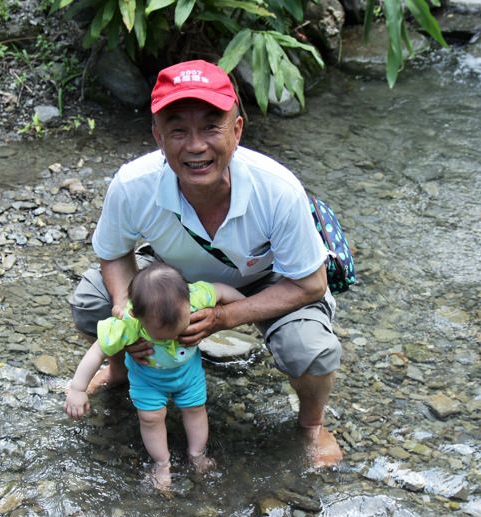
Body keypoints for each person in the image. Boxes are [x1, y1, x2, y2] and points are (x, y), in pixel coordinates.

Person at [69, 59, 343, 467]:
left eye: (211, 127)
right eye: (178, 130)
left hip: (266, 280)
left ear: (237, 130)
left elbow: (310, 284)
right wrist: (126, 312)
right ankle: (123, 369)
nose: (195, 146)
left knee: (310, 350)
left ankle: (311, 425)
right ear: (157, 136)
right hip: (172, 276)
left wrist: (224, 317)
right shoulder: (133, 184)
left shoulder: (278, 189)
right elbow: (114, 253)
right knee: (91, 301)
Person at [64, 262, 244, 488]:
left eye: (179, 330)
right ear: (136, 315)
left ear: (189, 300)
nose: (171, 338)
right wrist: (78, 389)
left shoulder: (196, 297)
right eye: (161, 336)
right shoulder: (128, 323)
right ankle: (162, 463)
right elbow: (97, 351)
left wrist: (243, 308)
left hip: (189, 376)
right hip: (148, 380)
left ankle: (197, 454)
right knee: (151, 419)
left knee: (196, 409)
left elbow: (221, 290)